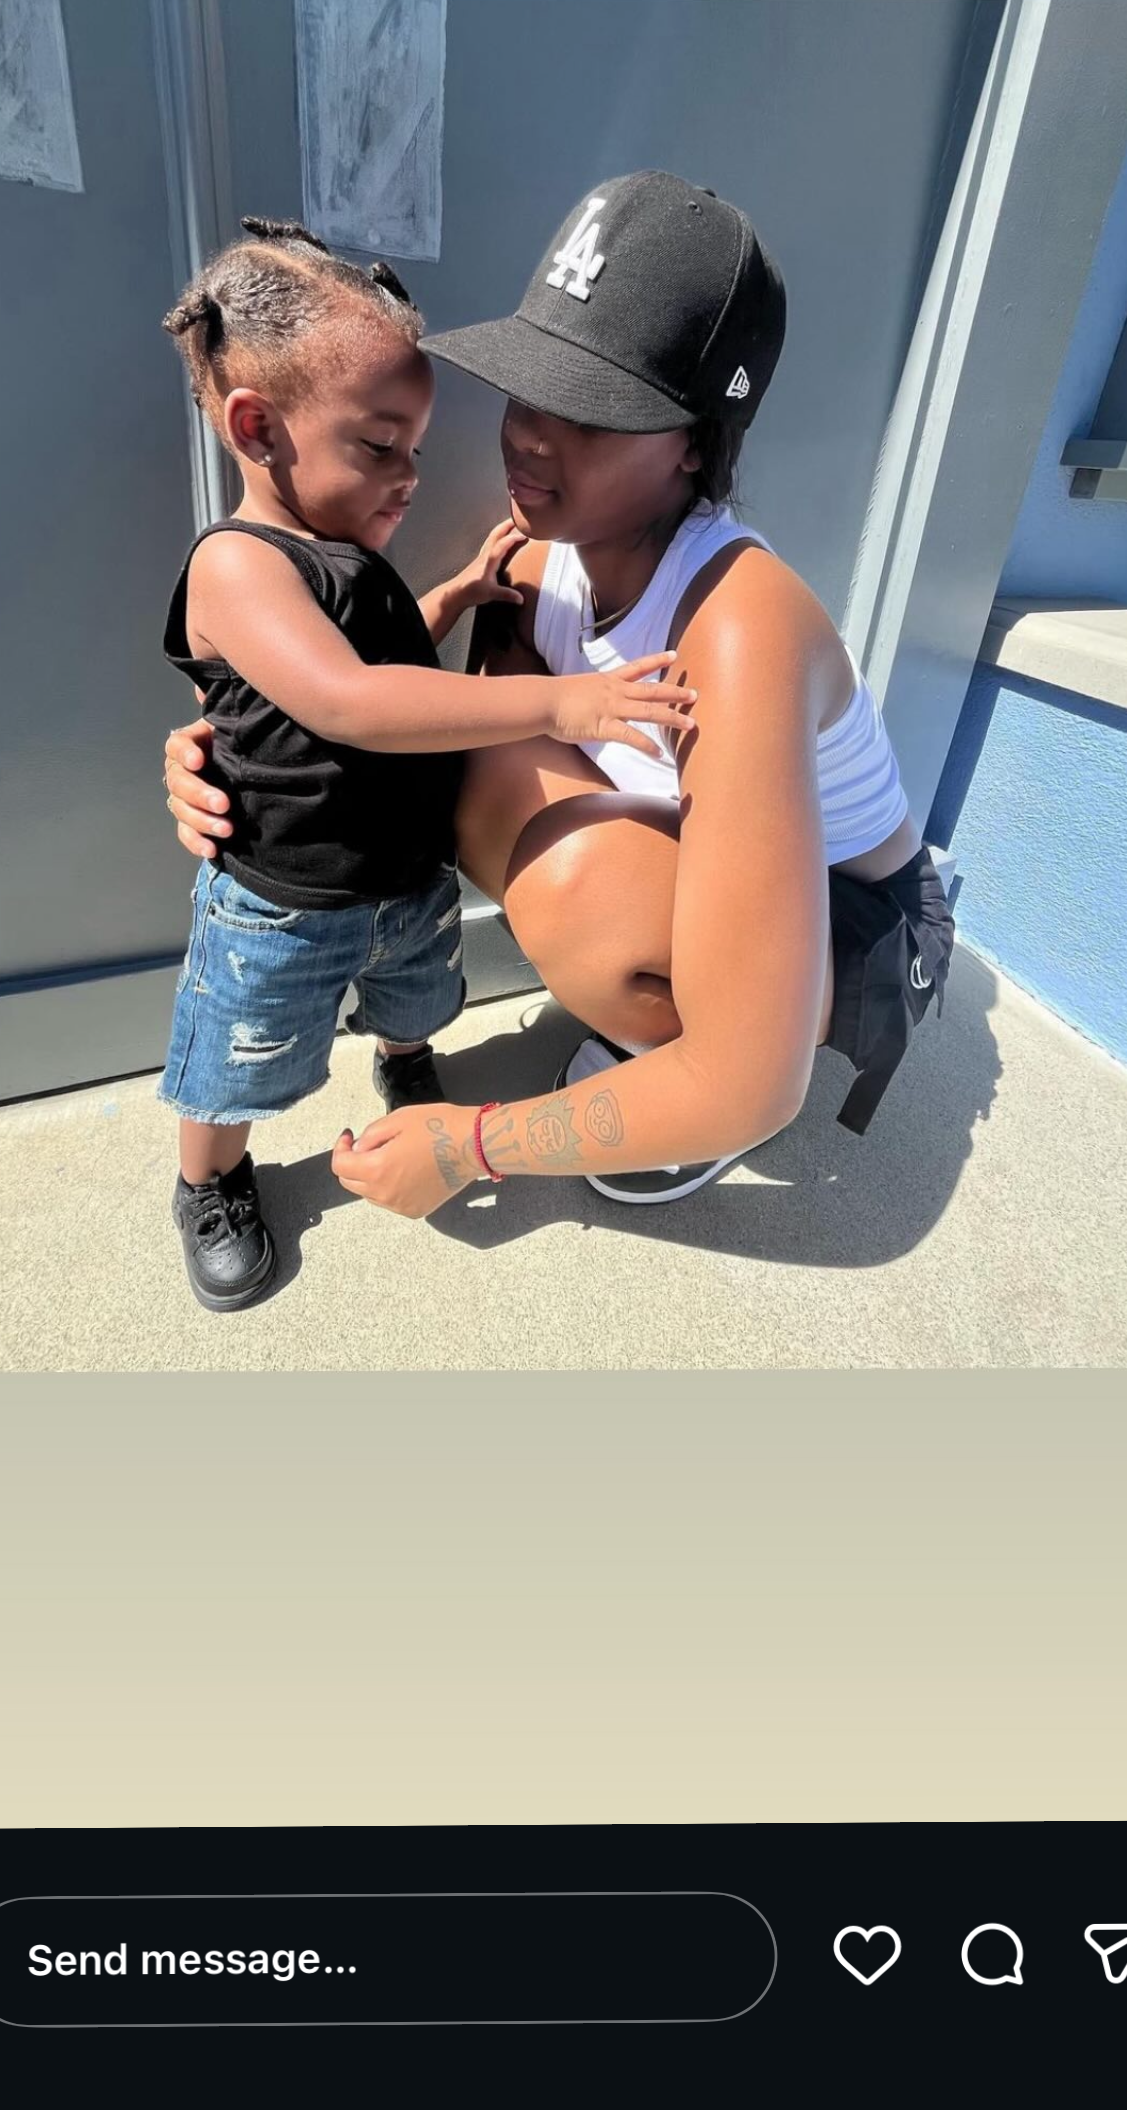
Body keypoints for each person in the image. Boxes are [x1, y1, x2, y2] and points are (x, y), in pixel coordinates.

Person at [164, 175, 955, 1229]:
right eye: (527, 386)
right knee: (473, 756)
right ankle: (670, 1032)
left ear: (693, 442)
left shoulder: (740, 626)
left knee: (580, 890)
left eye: (589, 410)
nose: (530, 435)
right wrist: (238, 748)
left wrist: (474, 1144)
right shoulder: (540, 557)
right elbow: (394, 708)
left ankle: (682, 1070)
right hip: (706, 858)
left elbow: (760, 1082)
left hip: (855, 930)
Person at [155, 214, 698, 1308]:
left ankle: (402, 1058)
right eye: (379, 446)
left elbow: (383, 659)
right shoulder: (237, 566)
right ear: (257, 426)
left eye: (416, 450)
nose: (407, 477)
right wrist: (565, 702)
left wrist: (453, 596)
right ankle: (208, 1182)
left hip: (405, 876)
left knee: (417, 996)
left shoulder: (347, 555)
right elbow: (350, 699)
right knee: (237, 1055)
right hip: (286, 900)